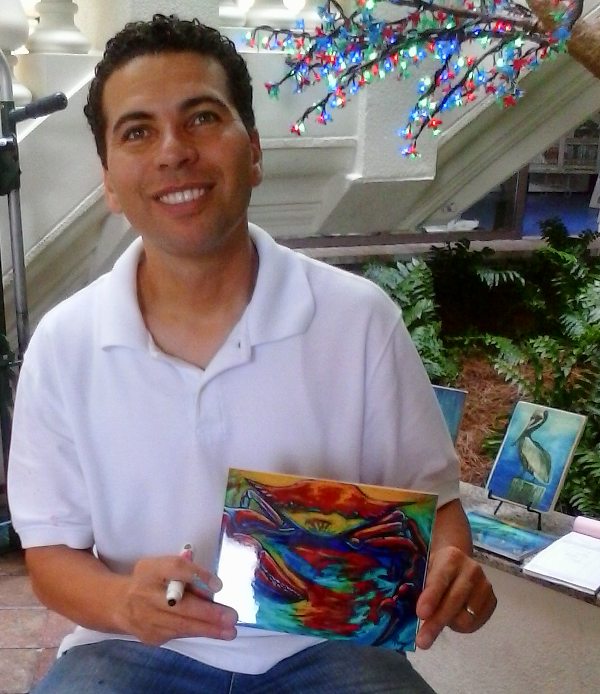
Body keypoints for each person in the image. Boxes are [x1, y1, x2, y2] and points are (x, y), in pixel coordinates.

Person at [7, 14, 496, 693]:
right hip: (131, 649)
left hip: (328, 648)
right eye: (138, 131)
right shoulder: (64, 346)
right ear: (111, 185)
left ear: (255, 151)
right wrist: (124, 605)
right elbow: (51, 555)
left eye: (202, 118)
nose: (173, 151)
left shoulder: (358, 321)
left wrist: (451, 570)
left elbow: (437, 507)